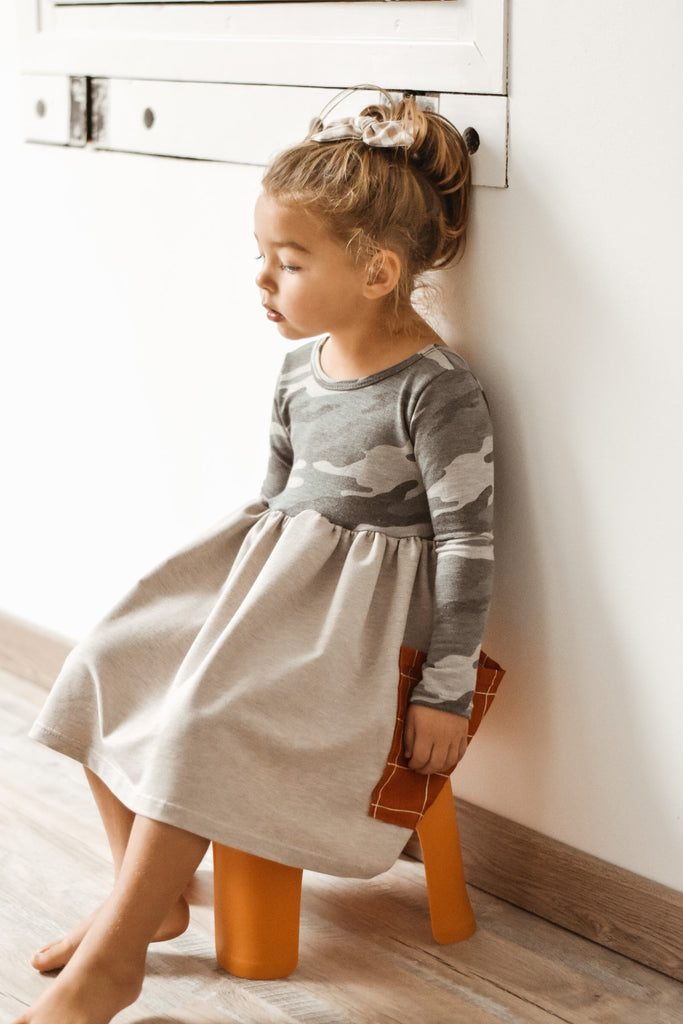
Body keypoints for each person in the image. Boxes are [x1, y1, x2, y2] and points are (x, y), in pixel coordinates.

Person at [16, 87, 494, 1024]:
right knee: (109, 660)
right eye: (261, 258)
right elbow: (277, 499)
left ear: (375, 272)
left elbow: (469, 544)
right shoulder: (296, 370)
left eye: (288, 261)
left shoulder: (437, 392)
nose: (262, 281)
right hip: (274, 588)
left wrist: (445, 683)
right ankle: (145, 901)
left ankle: (112, 964)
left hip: (351, 633)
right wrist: (215, 611)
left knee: (202, 718)